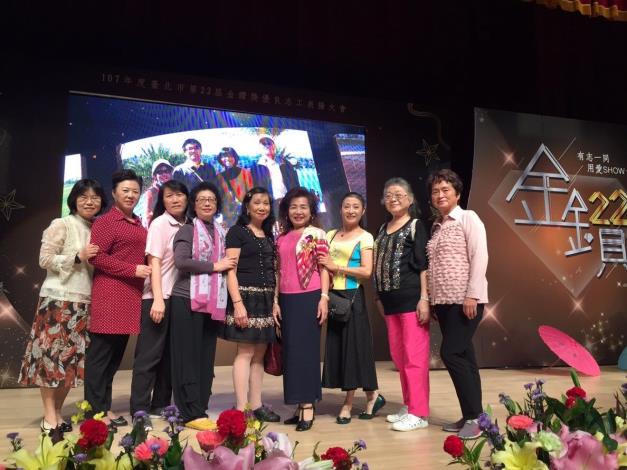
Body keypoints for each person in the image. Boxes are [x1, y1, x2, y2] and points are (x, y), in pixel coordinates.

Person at [19, 179, 106, 433]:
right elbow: (44, 259)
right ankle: (49, 416)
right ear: (74, 200)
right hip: (58, 300)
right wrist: (77, 256)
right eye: (84, 197)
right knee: (50, 359)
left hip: (84, 302)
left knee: (71, 361)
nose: (90, 202)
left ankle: (57, 411)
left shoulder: (98, 229)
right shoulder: (61, 224)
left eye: (95, 197)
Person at [426, 169, 488, 440]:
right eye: (435, 191)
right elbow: (435, 266)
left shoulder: (468, 217)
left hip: (466, 300)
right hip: (444, 302)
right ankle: (474, 415)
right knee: (465, 357)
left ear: (457, 194)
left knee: (451, 354)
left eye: (445, 190)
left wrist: (472, 295)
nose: (440, 195)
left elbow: (480, 256)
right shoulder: (437, 226)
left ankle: (474, 417)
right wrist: (433, 301)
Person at [85, 169, 150, 427]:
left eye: (135, 191)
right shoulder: (106, 222)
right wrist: (133, 270)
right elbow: (96, 257)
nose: (131, 195)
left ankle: (104, 408)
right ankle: (95, 412)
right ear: (113, 193)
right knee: (100, 358)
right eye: (125, 190)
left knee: (113, 359)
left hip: (130, 297)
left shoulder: (137, 222)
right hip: (109, 296)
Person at [170, 182, 237, 429]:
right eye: (202, 199)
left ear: (217, 205)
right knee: (187, 357)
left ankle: (200, 407)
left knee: (205, 357)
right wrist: (215, 266)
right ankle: (189, 413)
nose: (207, 203)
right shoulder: (188, 230)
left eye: (212, 199)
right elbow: (181, 261)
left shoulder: (220, 232)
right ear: (194, 205)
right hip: (186, 299)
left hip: (211, 301)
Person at [318, 192, 385, 425]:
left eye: (356, 206)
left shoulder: (366, 237)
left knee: (353, 351)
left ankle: (347, 404)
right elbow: (323, 267)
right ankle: (373, 396)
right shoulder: (330, 235)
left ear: (363, 210)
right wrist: (324, 294)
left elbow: (366, 271)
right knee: (342, 350)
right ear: (340, 209)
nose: (351, 210)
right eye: (347, 206)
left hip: (353, 298)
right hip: (333, 298)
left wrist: (337, 267)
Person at [129, 180, 189, 430]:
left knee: (169, 357)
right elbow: (153, 262)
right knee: (149, 356)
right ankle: (139, 411)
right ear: (162, 201)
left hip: (177, 298)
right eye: (169, 196)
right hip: (157, 297)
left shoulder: (187, 224)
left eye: (179, 195)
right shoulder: (160, 224)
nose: (175, 200)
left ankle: (160, 404)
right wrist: (157, 298)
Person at [373, 177, 430, 432]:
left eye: (398, 194)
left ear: (410, 199)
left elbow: (423, 266)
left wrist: (424, 299)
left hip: (411, 301)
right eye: (388, 195)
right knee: (400, 357)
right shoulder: (382, 228)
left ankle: (419, 413)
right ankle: (409, 405)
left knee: (415, 359)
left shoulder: (416, 225)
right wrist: (378, 297)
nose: (393, 198)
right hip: (390, 304)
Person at [223, 187, 280, 422]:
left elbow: (274, 270)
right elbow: (230, 270)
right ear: (247, 206)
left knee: (260, 354)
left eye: (266, 203)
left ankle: (256, 405)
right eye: (257, 203)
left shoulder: (268, 234)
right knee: (245, 352)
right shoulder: (236, 232)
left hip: (266, 299)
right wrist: (238, 304)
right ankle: (241, 409)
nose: (262, 207)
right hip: (245, 298)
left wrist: (275, 301)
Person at [274, 187, 329, 432]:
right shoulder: (281, 237)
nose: (298, 211)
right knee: (292, 354)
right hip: (286, 299)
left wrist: (324, 298)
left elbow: (324, 268)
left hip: (310, 297)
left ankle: (308, 405)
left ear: (311, 211)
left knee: (306, 352)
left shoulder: (316, 234)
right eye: (293, 207)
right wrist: (275, 301)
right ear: (287, 211)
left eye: (303, 207)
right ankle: (299, 404)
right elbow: (279, 272)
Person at [215, 147, 254, 227]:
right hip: (228, 214)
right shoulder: (219, 176)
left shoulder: (245, 173)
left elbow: (251, 193)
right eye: (224, 156)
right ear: (220, 159)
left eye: (230, 156)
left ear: (235, 157)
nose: (227, 159)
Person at [257, 135, 299, 203]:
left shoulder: (285, 162)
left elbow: (294, 181)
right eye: (263, 144)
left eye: (269, 143)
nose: (266, 145)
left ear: (274, 146)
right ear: (260, 147)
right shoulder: (258, 166)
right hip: (271, 204)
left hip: (288, 200)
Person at [136, 159, 174, 228]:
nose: (164, 174)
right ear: (155, 176)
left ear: (170, 173)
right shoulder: (151, 193)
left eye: (166, 171)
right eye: (160, 172)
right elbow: (147, 218)